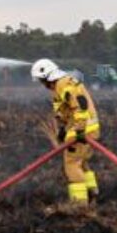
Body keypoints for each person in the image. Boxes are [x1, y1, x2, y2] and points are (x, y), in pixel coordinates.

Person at [30, 59, 101, 204]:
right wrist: (63, 128)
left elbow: (80, 105)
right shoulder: (61, 85)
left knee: (72, 164)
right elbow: (65, 110)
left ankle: (79, 204)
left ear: (47, 77)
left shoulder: (63, 84)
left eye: (41, 80)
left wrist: (79, 129)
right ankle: (92, 193)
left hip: (82, 130)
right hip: (89, 129)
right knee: (81, 163)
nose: (42, 84)